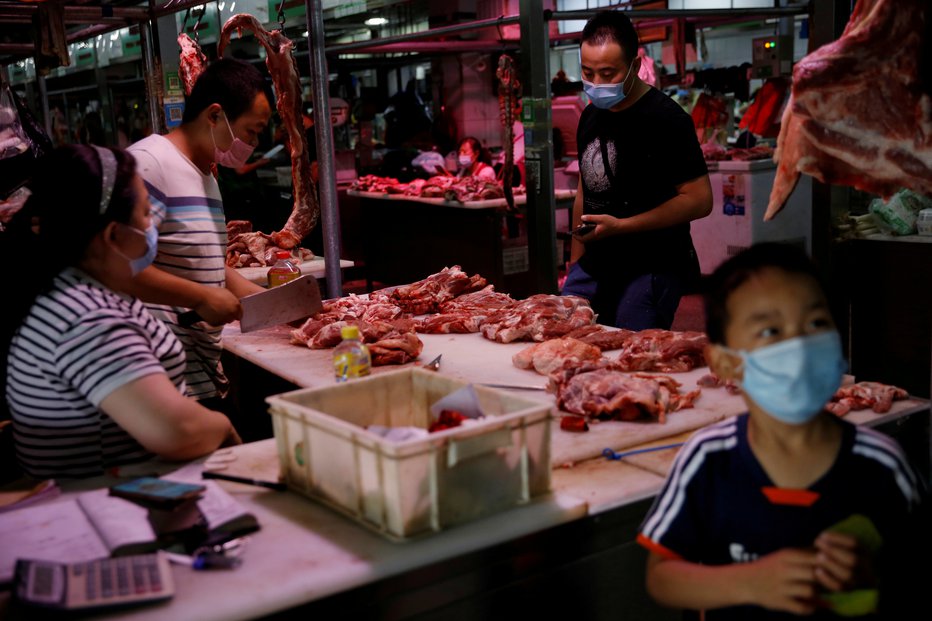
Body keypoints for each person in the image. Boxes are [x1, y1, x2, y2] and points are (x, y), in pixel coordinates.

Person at [638, 243, 928, 619]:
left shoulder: (882, 465)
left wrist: (874, 575)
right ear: (726, 363)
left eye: (816, 324)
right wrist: (749, 582)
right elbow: (662, 578)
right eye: (771, 330)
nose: (800, 346)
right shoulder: (708, 459)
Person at [4, 145, 240, 478]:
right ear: (114, 235)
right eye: (147, 215)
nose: (152, 228)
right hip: (110, 506)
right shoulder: (87, 318)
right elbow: (176, 431)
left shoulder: (80, 290)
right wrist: (223, 426)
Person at [126, 59, 272, 406]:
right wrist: (201, 298)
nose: (252, 142)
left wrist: (271, 303)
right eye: (251, 131)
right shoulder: (149, 164)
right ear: (215, 115)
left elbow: (203, 263)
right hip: (156, 377)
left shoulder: (205, 174)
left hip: (198, 371)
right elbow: (122, 267)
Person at [562, 11, 712, 330]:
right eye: (588, 73)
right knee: (567, 346)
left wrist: (623, 226)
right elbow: (584, 192)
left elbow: (699, 199)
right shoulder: (590, 116)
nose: (596, 84)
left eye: (607, 73)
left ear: (635, 65)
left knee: (629, 363)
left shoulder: (667, 120)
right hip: (593, 265)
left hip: (651, 268)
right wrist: (575, 261)